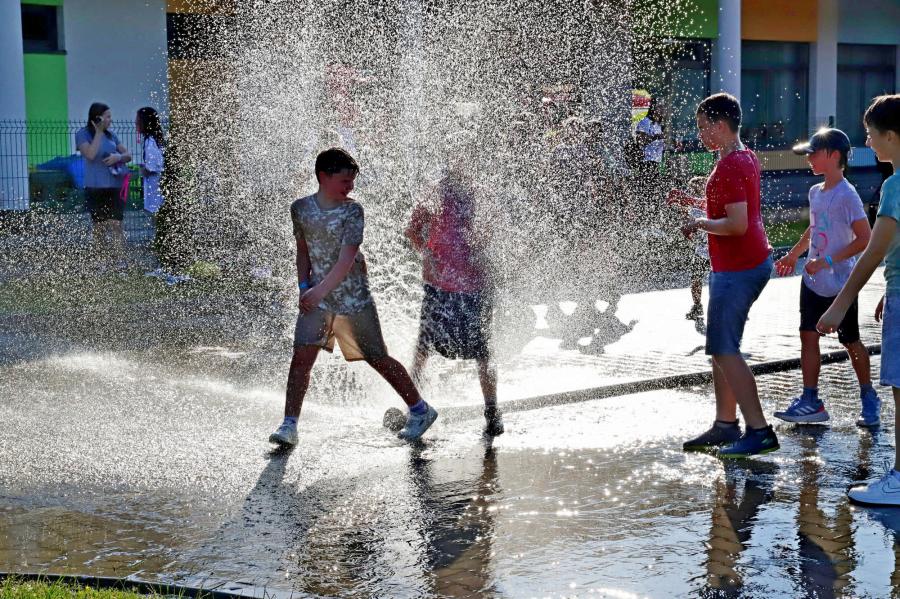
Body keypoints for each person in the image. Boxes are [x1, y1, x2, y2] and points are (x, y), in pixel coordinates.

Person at [269, 148, 437, 447]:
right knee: (301, 358)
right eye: (345, 180)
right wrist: (304, 287)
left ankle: (420, 410)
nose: (351, 186)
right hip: (317, 298)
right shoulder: (301, 209)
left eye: (352, 180)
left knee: (377, 358)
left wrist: (317, 291)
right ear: (323, 176)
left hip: (354, 299)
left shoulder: (353, 211)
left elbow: (347, 259)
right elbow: (303, 251)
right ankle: (289, 425)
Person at [676, 93, 778, 458]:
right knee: (721, 347)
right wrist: (695, 205)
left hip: (739, 268)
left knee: (724, 349)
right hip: (742, 264)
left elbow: (736, 224)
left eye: (702, 126)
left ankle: (759, 431)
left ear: (720, 126)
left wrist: (699, 223)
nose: (699, 133)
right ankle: (725, 424)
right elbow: (733, 208)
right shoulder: (742, 156)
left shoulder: (730, 165)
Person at [818, 95, 900, 506]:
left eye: (871, 134)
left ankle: (899, 479)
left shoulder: (895, 186)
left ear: (892, 136)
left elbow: (873, 253)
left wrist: (839, 304)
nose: (868, 142)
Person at [772, 128, 877, 426]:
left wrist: (827, 261)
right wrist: (794, 255)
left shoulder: (848, 195)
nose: (809, 159)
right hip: (812, 280)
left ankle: (868, 398)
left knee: (851, 341)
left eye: (813, 154)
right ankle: (811, 400)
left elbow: (865, 239)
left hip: (841, 284)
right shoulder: (815, 192)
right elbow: (815, 227)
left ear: (833, 155)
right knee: (808, 335)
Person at [405, 145, 503, 436]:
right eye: (456, 159)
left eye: (467, 158)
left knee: (483, 351)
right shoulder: (434, 193)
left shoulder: (480, 194)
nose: (462, 164)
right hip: (439, 286)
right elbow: (412, 229)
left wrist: (480, 242)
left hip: (475, 286)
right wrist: (427, 255)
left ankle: (492, 411)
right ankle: (413, 408)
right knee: (423, 348)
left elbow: (491, 229)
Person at [75, 102, 132, 268]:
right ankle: (101, 261)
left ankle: (120, 261)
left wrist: (117, 157)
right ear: (98, 118)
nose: (110, 120)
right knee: (99, 227)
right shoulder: (83, 134)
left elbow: (128, 155)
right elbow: (90, 154)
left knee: (116, 224)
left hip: (115, 186)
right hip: (95, 187)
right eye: (107, 117)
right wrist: (98, 133)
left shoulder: (112, 135)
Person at [136, 107, 165, 220]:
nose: (135, 122)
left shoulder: (150, 142)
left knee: (157, 218)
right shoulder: (155, 140)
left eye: (138, 120)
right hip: (158, 187)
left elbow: (152, 167)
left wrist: (143, 170)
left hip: (155, 188)